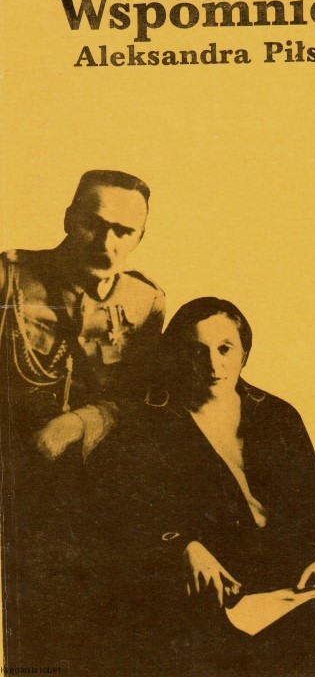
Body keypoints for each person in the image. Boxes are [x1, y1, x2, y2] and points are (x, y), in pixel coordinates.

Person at [90, 297, 315, 677]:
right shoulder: (152, 424)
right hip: (217, 576)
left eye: (224, 349)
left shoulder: (276, 415)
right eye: (198, 351)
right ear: (179, 355)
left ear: (244, 353)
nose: (213, 364)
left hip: (291, 566)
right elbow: (133, 510)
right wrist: (183, 546)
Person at [0, 170, 166, 669]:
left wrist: (78, 422)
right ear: (70, 219)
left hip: (90, 484)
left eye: (124, 231)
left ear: (139, 237)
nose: (107, 242)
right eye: (95, 224)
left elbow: (141, 398)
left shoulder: (145, 301)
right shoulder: (10, 278)